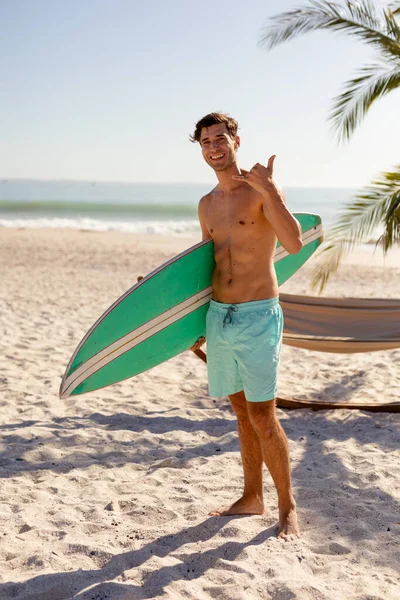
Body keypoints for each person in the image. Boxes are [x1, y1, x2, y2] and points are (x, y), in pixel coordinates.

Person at [190, 112, 302, 539]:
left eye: (220, 139)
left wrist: (271, 190)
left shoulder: (260, 192)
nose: (214, 147)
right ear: (200, 149)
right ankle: (252, 497)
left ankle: (287, 506)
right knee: (241, 411)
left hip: (257, 315)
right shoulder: (206, 204)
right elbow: (203, 265)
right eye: (205, 142)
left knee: (262, 414)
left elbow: (293, 243)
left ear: (237, 140)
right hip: (219, 316)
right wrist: (188, 324)